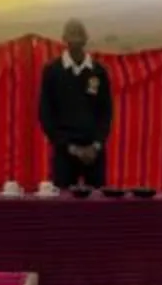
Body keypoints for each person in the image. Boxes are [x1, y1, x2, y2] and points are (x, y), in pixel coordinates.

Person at [37, 19, 113, 190]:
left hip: (94, 152)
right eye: (72, 34)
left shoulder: (98, 71)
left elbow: (106, 112)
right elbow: (46, 114)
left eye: (80, 34)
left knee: (97, 200)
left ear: (86, 38)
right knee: (63, 201)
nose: (76, 39)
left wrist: (96, 145)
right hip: (65, 152)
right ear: (64, 39)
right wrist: (68, 147)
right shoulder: (53, 71)